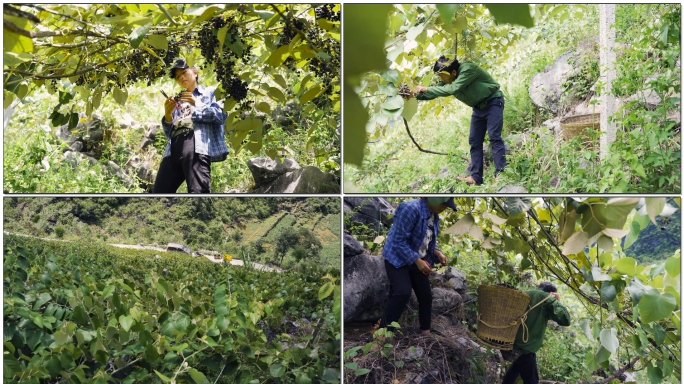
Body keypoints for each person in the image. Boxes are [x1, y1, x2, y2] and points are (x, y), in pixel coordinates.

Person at [407, 56, 506, 185]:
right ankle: (476, 178)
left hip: (493, 101)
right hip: (478, 108)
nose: (441, 79)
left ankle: (501, 174)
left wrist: (425, 88)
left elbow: (452, 89)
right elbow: (436, 92)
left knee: (494, 137)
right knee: (474, 141)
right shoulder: (448, 80)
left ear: (453, 72)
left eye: (442, 76)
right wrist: (415, 94)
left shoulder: (468, 69)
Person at [378, 197, 457, 335]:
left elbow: (428, 240)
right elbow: (398, 241)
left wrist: (437, 252)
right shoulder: (411, 209)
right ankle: (383, 333)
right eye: (443, 204)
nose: (444, 208)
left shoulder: (434, 216)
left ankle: (425, 332)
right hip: (397, 257)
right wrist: (417, 260)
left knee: (425, 295)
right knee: (402, 293)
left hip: (417, 259)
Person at [152, 58, 229, 193]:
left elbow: (220, 115)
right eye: (177, 77)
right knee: (159, 193)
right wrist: (168, 115)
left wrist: (196, 103)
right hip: (172, 148)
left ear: (195, 72)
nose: (181, 77)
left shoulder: (210, 92)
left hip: (195, 143)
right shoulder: (178, 100)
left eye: (184, 72)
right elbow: (168, 131)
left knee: (198, 192)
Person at [501, 282, 571, 384]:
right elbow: (565, 320)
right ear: (552, 293)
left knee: (516, 368)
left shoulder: (524, 293)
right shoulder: (548, 299)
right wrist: (557, 302)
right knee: (532, 380)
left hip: (509, 342)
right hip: (525, 347)